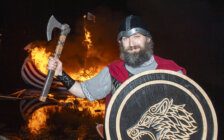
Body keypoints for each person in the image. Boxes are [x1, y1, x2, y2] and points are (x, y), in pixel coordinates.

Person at [48, 15, 186, 138]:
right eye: (125, 39)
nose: (131, 44)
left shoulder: (171, 71)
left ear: (148, 39)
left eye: (137, 36)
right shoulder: (113, 71)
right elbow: (83, 91)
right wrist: (60, 73)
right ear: (120, 43)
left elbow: (188, 109)